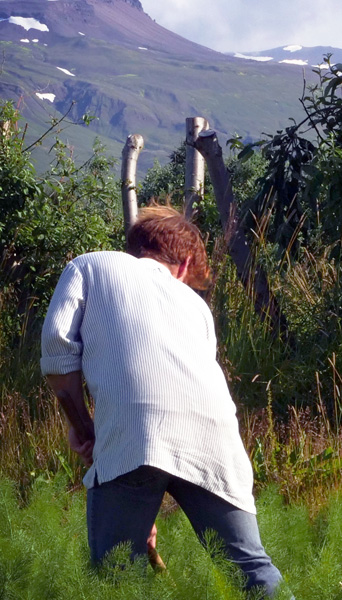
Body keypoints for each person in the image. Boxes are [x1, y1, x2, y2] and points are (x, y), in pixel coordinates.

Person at [41, 205, 287, 597]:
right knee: (250, 566)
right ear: (186, 263)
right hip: (217, 435)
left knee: (118, 575)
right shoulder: (196, 306)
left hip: (134, 433)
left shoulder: (90, 266)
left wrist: (82, 426)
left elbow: (57, 350)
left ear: (135, 247)